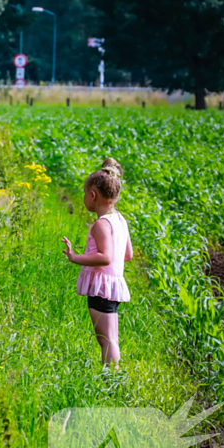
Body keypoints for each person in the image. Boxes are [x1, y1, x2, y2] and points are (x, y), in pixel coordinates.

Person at [61, 158, 133, 369]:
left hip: (102, 289)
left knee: (106, 340)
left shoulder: (101, 224)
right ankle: (111, 377)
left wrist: (76, 257)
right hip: (112, 286)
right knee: (110, 338)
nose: (84, 197)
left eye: (85, 193)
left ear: (92, 195)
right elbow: (126, 255)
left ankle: (111, 380)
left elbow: (105, 257)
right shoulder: (119, 219)